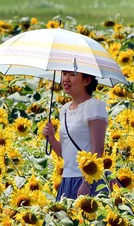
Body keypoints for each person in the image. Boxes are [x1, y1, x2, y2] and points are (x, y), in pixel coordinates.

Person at [42, 71, 109, 200]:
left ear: (86, 81)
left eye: (72, 75)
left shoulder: (93, 106)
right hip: (67, 179)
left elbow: (97, 150)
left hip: (87, 179)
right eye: (64, 74)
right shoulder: (65, 109)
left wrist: (86, 183)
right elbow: (65, 153)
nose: (66, 79)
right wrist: (51, 139)